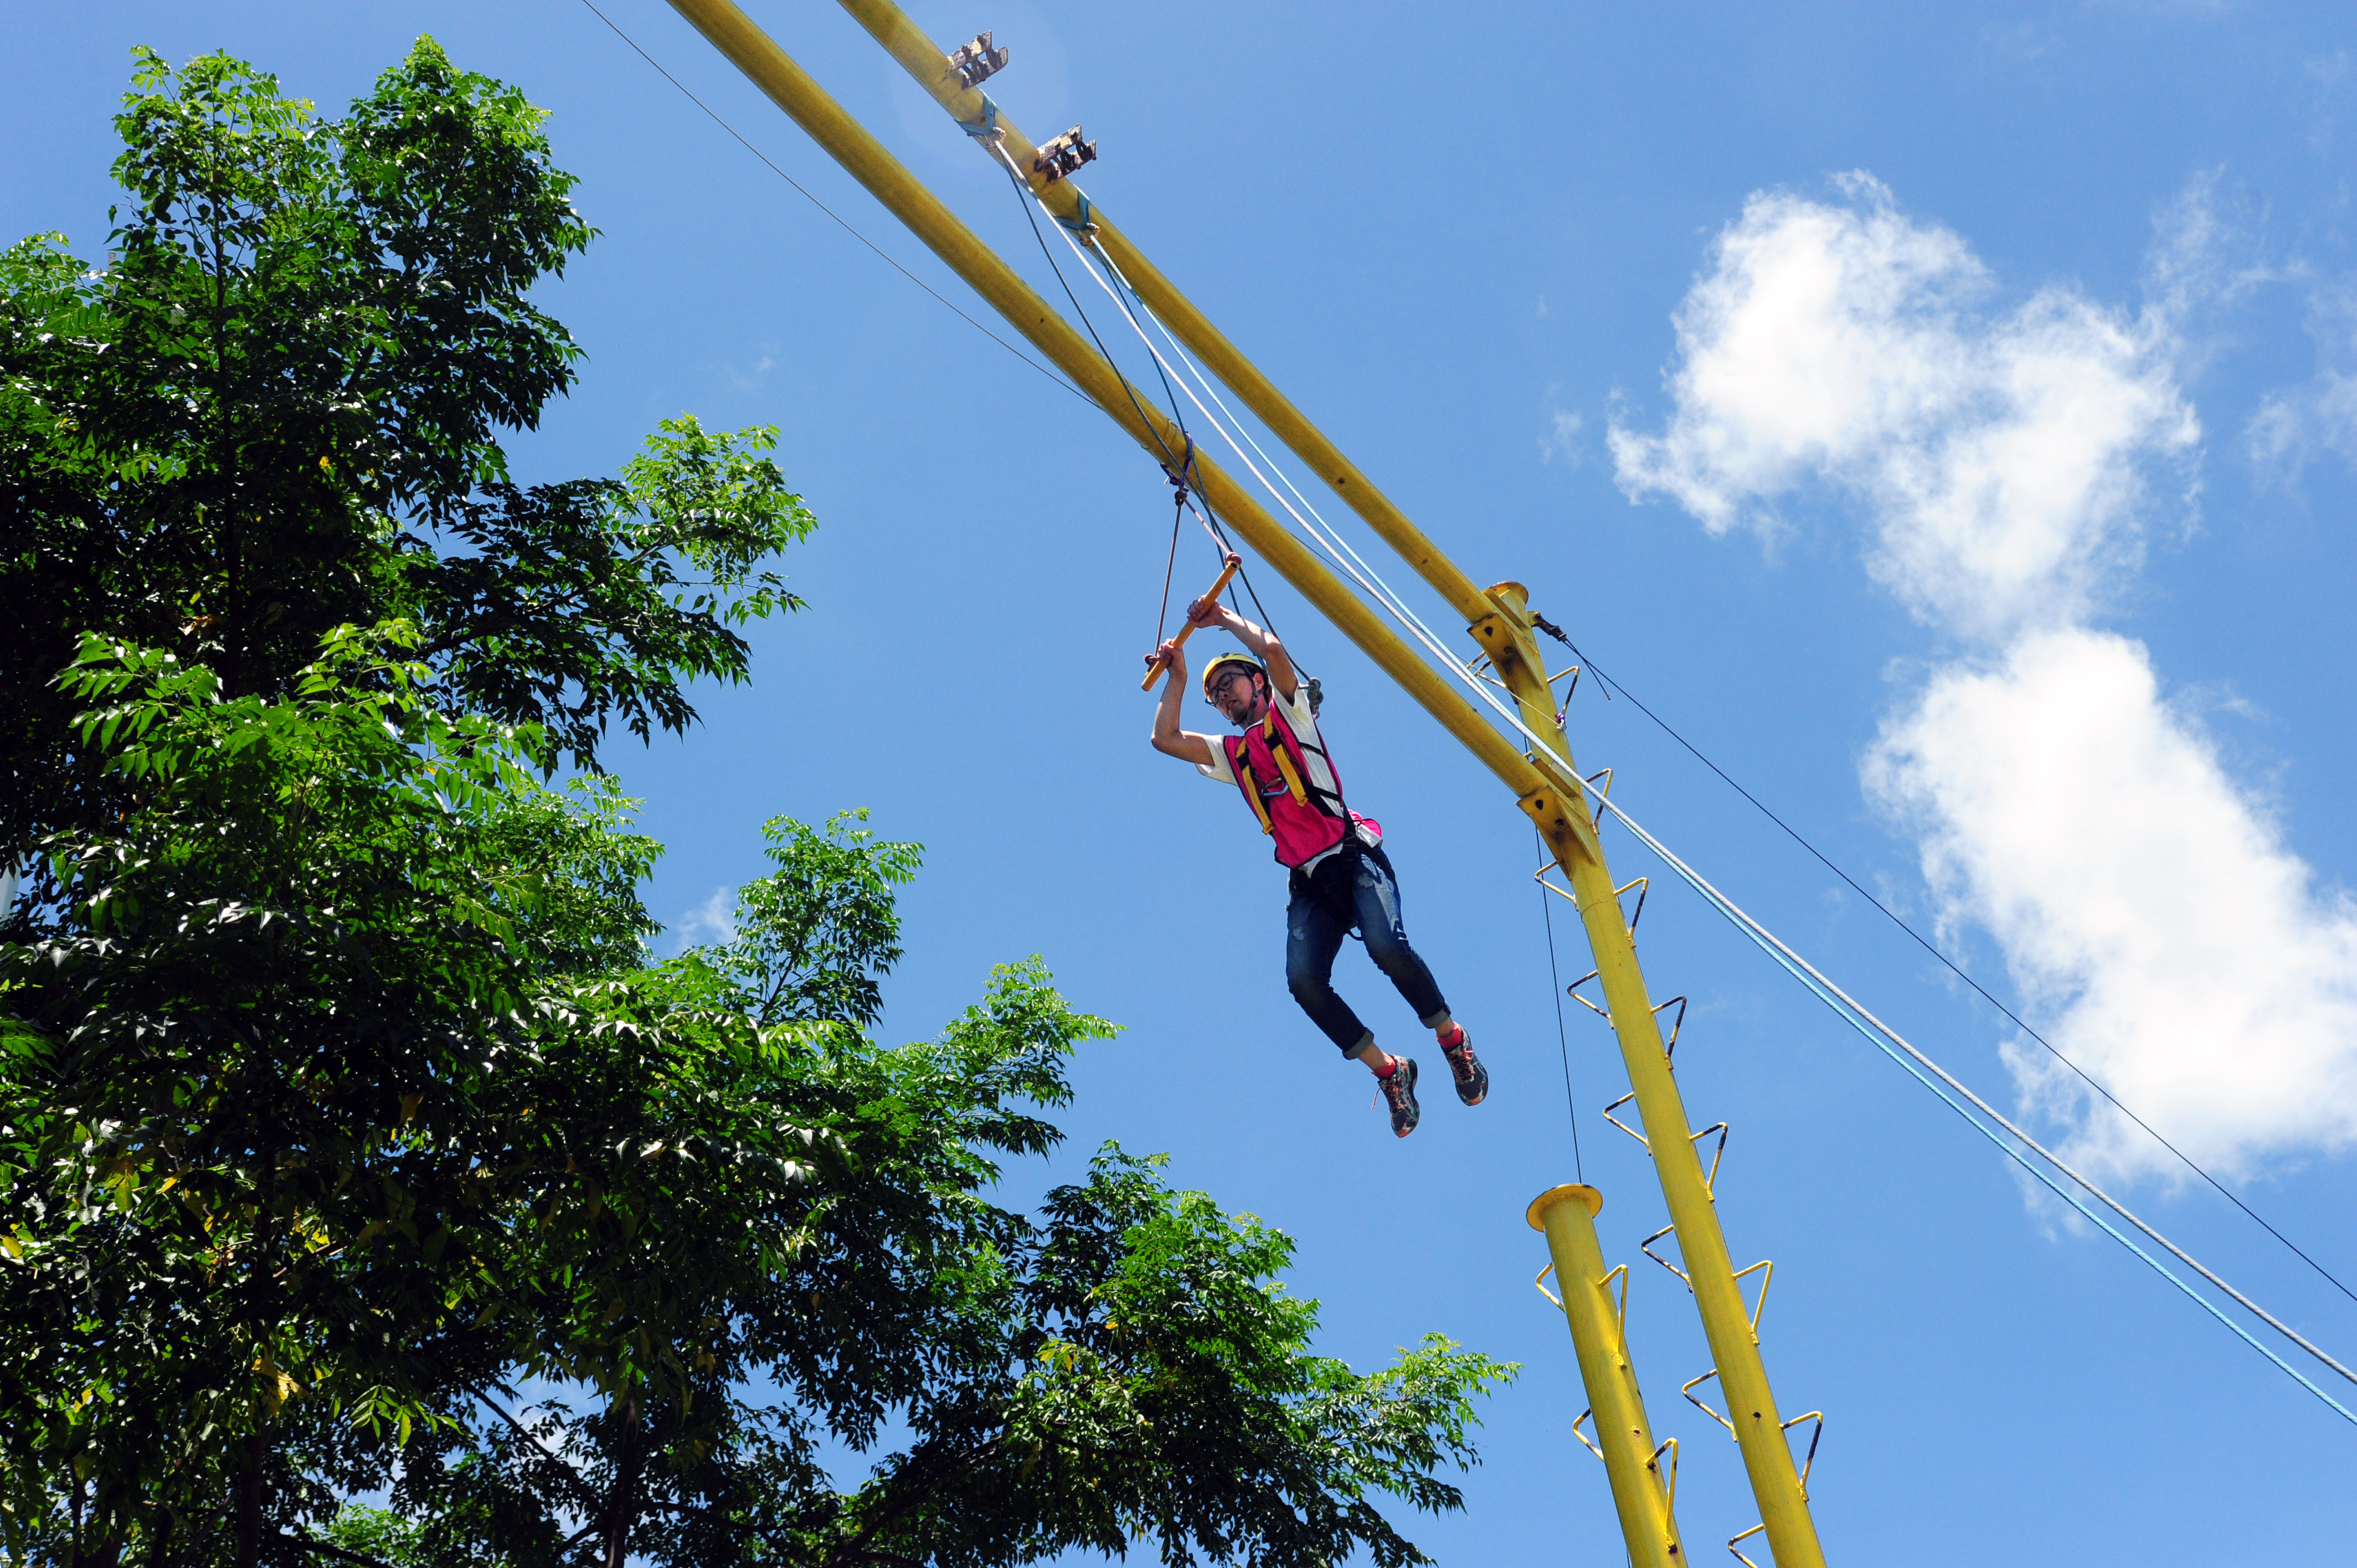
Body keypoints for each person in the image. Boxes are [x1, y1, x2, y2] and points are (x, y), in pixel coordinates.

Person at [1147, 594, 1488, 1138]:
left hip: (1350, 857)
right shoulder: (1232, 756)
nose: (1223, 697)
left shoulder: (1291, 716)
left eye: (1229, 684)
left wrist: (1222, 621)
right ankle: (1389, 1070)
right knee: (1304, 982)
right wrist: (1178, 678)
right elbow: (1163, 738)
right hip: (1307, 879)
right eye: (1215, 696)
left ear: (1257, 685)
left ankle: (1451, 1039)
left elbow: (1276, 650)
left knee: (1384, 947)